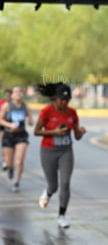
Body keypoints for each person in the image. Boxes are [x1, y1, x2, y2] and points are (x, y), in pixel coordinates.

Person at [33, 82, 86, 228]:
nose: (64, 103)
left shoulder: (72, 113)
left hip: (66, 151)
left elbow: (77, 136)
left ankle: (62, 215)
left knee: (65, 183)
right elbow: (36, 132)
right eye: (61, 99)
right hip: (48, 151)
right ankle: (48, 192)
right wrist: (54, 132)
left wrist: (81, 131)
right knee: (54, 185)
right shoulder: (46, 111)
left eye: (67, 100)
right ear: (55, 98)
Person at [0, 86, 34, 192]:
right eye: (16, 92)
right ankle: (10, 168)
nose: (18, 94)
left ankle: (17, 182)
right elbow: (0, 120)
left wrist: (29, 120)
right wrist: (9, 124)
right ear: (12, 95)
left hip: (21, 135)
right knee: (10, 161)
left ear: (22, 94)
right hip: (8, 135)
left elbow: (31, 122)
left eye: (20, 92)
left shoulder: (26, 107)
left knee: (19, 161)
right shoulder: (7, 106)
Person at [0, 88, 12, 171]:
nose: (8, 97)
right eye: (7, 95)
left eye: (9, 95)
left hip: (9, 125)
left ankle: (5, 161)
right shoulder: (1, 103)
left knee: (5, 144)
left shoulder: (13, 104)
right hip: (1, 124)